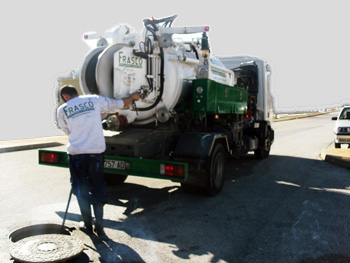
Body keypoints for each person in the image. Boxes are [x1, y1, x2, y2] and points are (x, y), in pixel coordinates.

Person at [56, 85, 140, 237]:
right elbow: (119, 104)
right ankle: (100, 227)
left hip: (77, 155)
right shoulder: (93, 100)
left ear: (65, 96)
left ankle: (88, 226)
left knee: (81, 190)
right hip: (95, 154)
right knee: (97, 187)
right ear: (76, 93)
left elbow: (66, 130)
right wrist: (133, 97)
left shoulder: (62, 109)